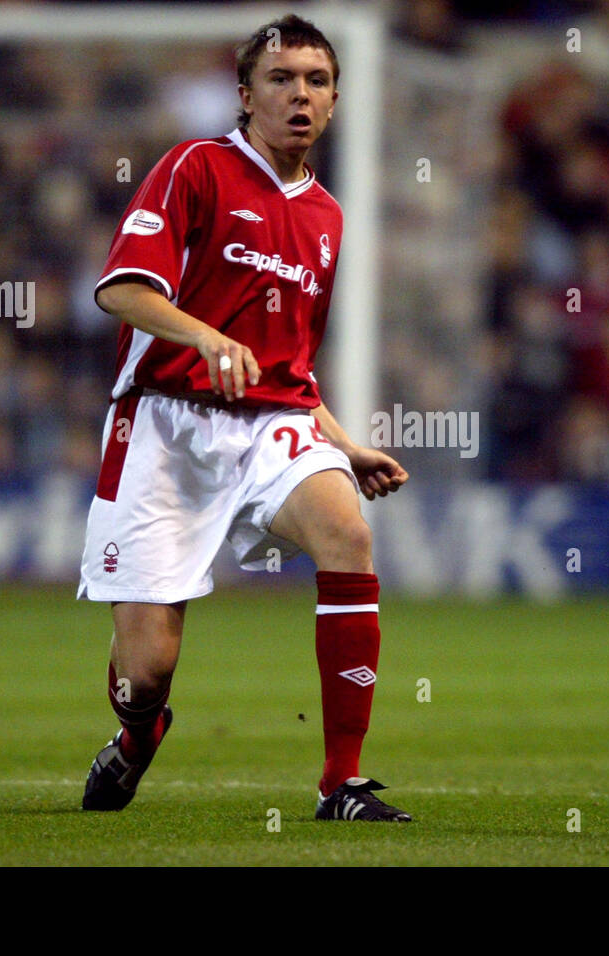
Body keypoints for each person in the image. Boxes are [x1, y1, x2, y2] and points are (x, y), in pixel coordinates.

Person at [77, 15, 412, 822]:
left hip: (269, 426)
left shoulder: (327, 218)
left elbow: (290, 368)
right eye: (281, 79)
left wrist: (342, 442)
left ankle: (342, 784)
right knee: (146, 670)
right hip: (162, 425)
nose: (300, 94)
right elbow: (120, 290)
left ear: (334, 100)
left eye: (317, 81)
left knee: (348, 535)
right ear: (245, 95)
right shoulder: (195, 168)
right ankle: (136, 734)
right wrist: (205, 335)